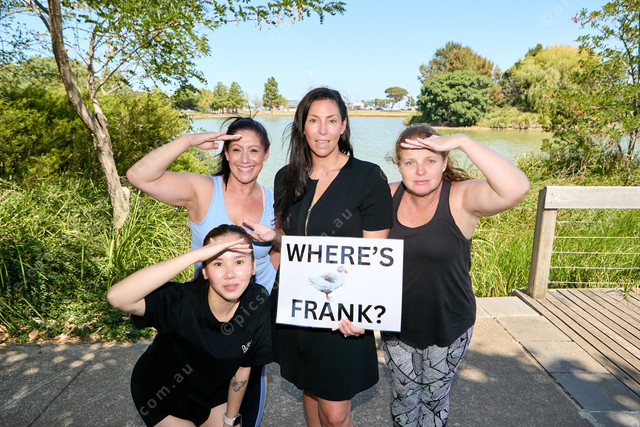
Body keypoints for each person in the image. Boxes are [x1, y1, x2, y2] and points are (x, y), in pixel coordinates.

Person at [126, 117, 275, 426]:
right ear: (225, 153)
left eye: (253, 150)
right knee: (185, 387)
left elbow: (282, 250)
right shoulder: (204, 189)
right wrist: (188, 141)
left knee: (240, 413)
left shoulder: (273, 200)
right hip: (205, 317)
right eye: (236, 149)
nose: (245, 159)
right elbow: (138, 176)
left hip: (248, 323)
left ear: (266, 154)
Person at [382, 124, 530, 426]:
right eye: (410, 162)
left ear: (444, 162)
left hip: (449, 323)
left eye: (430, 160)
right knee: (404, 398)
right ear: (398, 165)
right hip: (398, 324)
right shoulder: (387, 196)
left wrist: (463, 141)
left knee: (434, 400)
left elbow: (517, 188)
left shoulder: (461, 197)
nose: (420, 171)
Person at [271, 87, 393, 427]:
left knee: (336, 415)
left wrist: (362, 310)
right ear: (302, 127)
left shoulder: (368, 177)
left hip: (343, 312)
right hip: (299, 306)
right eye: (314, 121)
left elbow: (373, 255)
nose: (322, 130)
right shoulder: (286, 178)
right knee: (309, 388)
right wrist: (272, 240)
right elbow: (288, 242)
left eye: (331, 120)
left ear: (344, 125)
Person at [107, 224, 272, 427]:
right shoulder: (181, 301)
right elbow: (117, 297)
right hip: (162, 396)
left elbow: (243, 368)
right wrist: (195, 255)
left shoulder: (258, 302)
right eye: (218, 263)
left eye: (239, 261)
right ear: (205, 271)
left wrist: (230, 420)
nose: (230, 274)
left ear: (253, 266)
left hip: (211, 392)